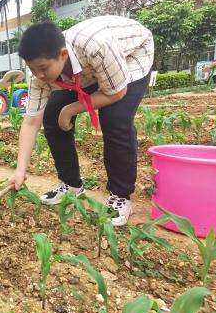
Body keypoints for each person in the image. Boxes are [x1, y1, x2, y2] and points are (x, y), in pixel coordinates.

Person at [9, 16, 154, 227]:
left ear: (62, 55)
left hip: (132, 55)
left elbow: (116, 92)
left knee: (114, 118)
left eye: (43, 68)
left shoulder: (96, 46)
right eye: (32, 69)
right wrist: (20, 170)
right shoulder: (39, 75)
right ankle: (71, 185)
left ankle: (121, 196)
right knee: (51, 115)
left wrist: (71, 109)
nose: (38, 75)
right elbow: (31, 122)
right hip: (89, 71)